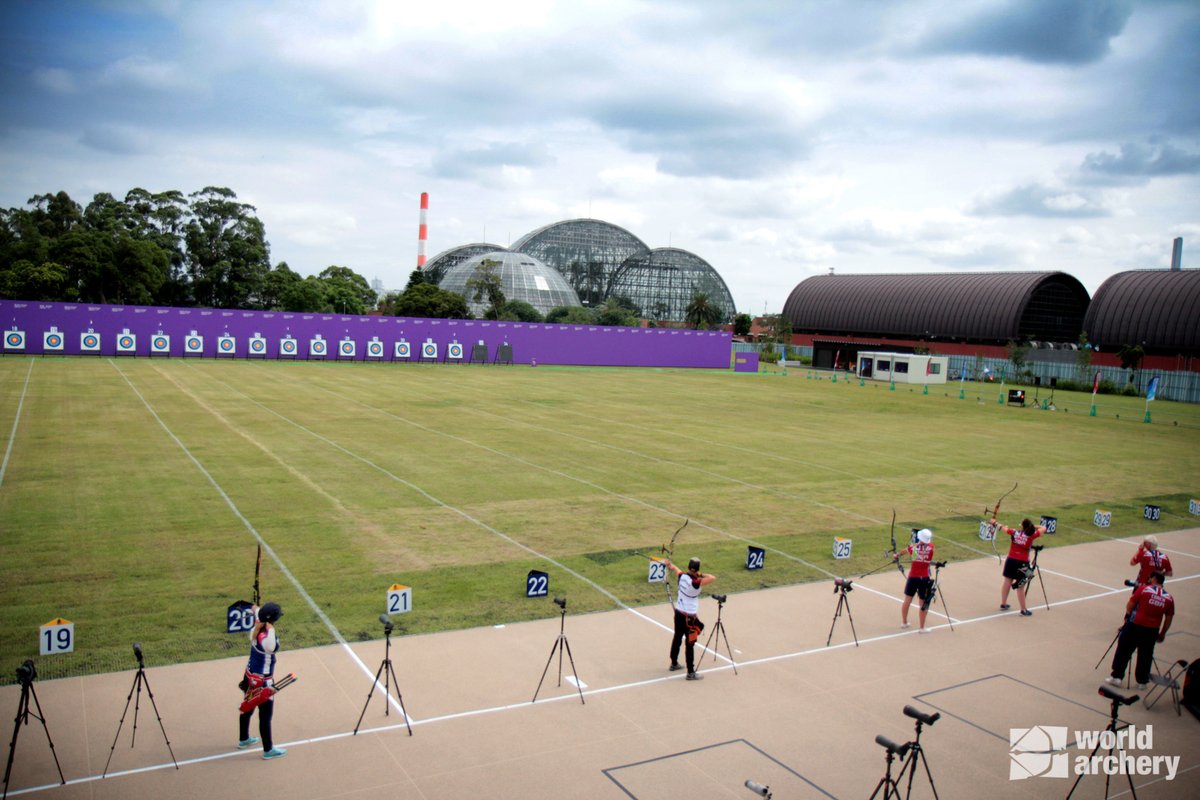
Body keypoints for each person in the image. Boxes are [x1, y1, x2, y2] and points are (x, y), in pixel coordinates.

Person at [1106, 571, 1174, 690]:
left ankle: (1117, 677)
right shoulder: (1169, 598)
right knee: (1146, 654)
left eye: (1150, 577)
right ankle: (1142, 681)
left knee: (1124, 650)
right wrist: (1162, 633)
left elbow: (1130, 605)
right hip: (1152, 630)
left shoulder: (1144, 589)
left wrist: (1127, 618)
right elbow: (1168, 618)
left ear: (1154, 579)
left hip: (1135, 625)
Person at [238, 602, 287, 759]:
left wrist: (256, 608)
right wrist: (271, 629)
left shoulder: (256, 627)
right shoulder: (268, 637)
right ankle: (268, 750)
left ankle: (244, 739)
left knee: (248, 706)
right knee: (265, 716)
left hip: (250, 677)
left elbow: (258, 613)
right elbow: (271, 647)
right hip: (263, 682)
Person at [666, 557, 716, 681]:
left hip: (679, 614)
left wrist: (670, 565)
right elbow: (712, 578)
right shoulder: (695, 582)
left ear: (688, 568)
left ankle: (674, 663)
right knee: (690, 644)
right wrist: (701, 574)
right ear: (697, 570)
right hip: (690, 618)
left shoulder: (682, 577)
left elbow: (676, 569)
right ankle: (690, 672)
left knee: (677, 637)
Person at [997, 517, 1044, 616]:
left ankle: (1003, 603)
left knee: (1007, 581)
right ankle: (1023, 610)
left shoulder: (1015, 532)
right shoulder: (1032, 535)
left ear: (1022, 526)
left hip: (1011, 560)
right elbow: (1044, 528)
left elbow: (1002, 528)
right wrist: (1033, 526)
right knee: (1021, 586)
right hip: (1023, 563)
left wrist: (994, 523)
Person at [894, 529, 935, 633]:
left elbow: (906, 550)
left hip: (913, 577)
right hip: (924, 577)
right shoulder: (931, 548)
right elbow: (926, 552)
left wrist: (897, 555)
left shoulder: (914, 548)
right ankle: (921, 628)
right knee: (923, 602)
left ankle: (904, 622)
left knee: (907, 600)